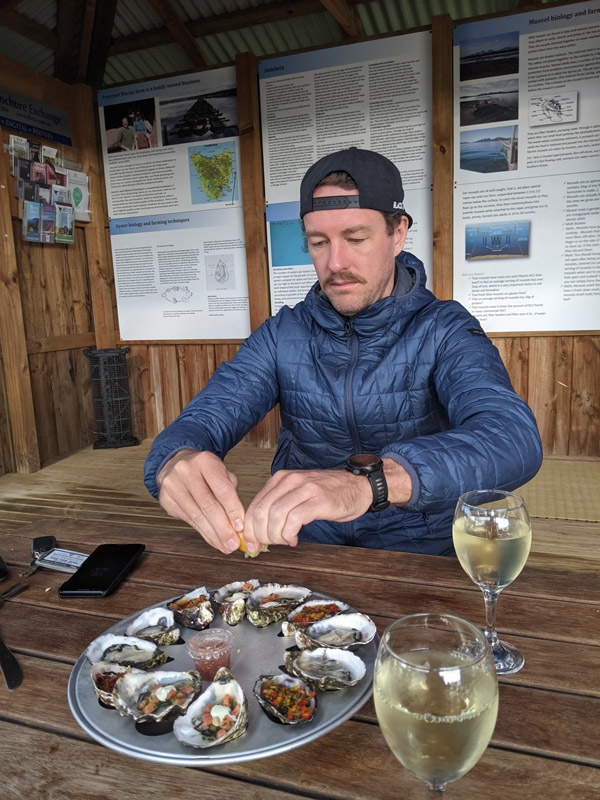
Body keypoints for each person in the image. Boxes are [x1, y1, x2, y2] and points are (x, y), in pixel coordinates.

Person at [144, 147, 542, 556]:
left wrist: (372, 483)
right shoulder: (284, 332)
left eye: (356, 238)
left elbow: (512, 437)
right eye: (318, 243)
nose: (336, 262)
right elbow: (208, 415)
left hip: (420, 549)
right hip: (308, 543)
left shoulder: (444, 327)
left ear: (398, 233)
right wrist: (177, 457)